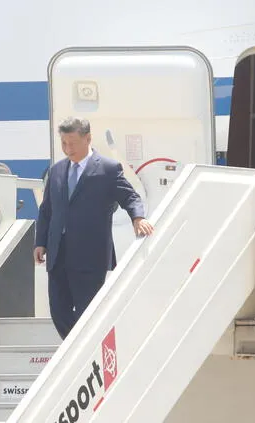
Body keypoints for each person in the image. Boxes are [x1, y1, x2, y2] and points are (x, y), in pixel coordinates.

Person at [34, 117, 154, 340]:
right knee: (58, 312)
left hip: (90, 256)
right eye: (64, 144)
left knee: (86, 312)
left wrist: (137, 218)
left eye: (73, 143)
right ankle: (79, 348)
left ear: (87, 138)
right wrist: (40, 241)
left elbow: (130, 196)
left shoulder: (107, 169)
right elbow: (47, 210)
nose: (68, 149)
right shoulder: (57, 170)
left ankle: (82, 352)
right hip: (58, 253)